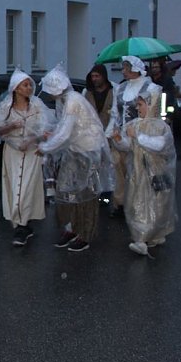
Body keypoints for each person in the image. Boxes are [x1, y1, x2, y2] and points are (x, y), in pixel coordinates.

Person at [38, 65, 112, 253]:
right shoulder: (65, 100)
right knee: (67, 191)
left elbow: (65, 133)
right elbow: (63, 128)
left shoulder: (72, 101)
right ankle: (71, 227)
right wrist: (52, 136)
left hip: (87, 151)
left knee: (85, 195)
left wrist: (45, 147)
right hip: (75, 150)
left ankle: (85, 233)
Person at [0, 68, 55, 246]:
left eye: (30, 85)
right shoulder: (5, 108)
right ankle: (21, 224)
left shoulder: (37, 106)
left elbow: (46, 129)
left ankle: (22, 226)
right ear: (16, 88)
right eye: (25, 85)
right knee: (14, 185)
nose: (29, 88)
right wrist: (11, 126)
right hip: (12, 153)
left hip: (31, 153)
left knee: (27, 188)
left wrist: (33, 140)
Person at [110, 88, 177, 256]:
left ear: (151, 104)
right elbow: (128, 146)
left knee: (158, 204)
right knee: (137, 203)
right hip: (137, 172)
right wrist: (118, 139)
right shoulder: (135, 124)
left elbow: (160, 145)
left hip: (156, 172)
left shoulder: (161, 126)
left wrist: (138, 136)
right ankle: (140, 238)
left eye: (140, 104)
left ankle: (156, 233)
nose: (137, 108)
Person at [107, 56, 155, 218]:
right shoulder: (121, 88)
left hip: (138, 137)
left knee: (138, 173)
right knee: (119, 172)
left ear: (136, 69)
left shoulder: (150, 87)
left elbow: (152, 115)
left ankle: (138, 205)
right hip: (120, 136)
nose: (123, 71)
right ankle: (120, 204)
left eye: (126, 68)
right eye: (123, 68)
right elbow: (115, 113)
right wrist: (110, 132)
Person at [83, 64, 114, 130]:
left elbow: (115, 115)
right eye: (92, 76)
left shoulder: (113, 91)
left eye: (97, 76)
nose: (94, 79)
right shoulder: (87, 92)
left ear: (104, 76)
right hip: (91, 131)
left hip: (109, 131)